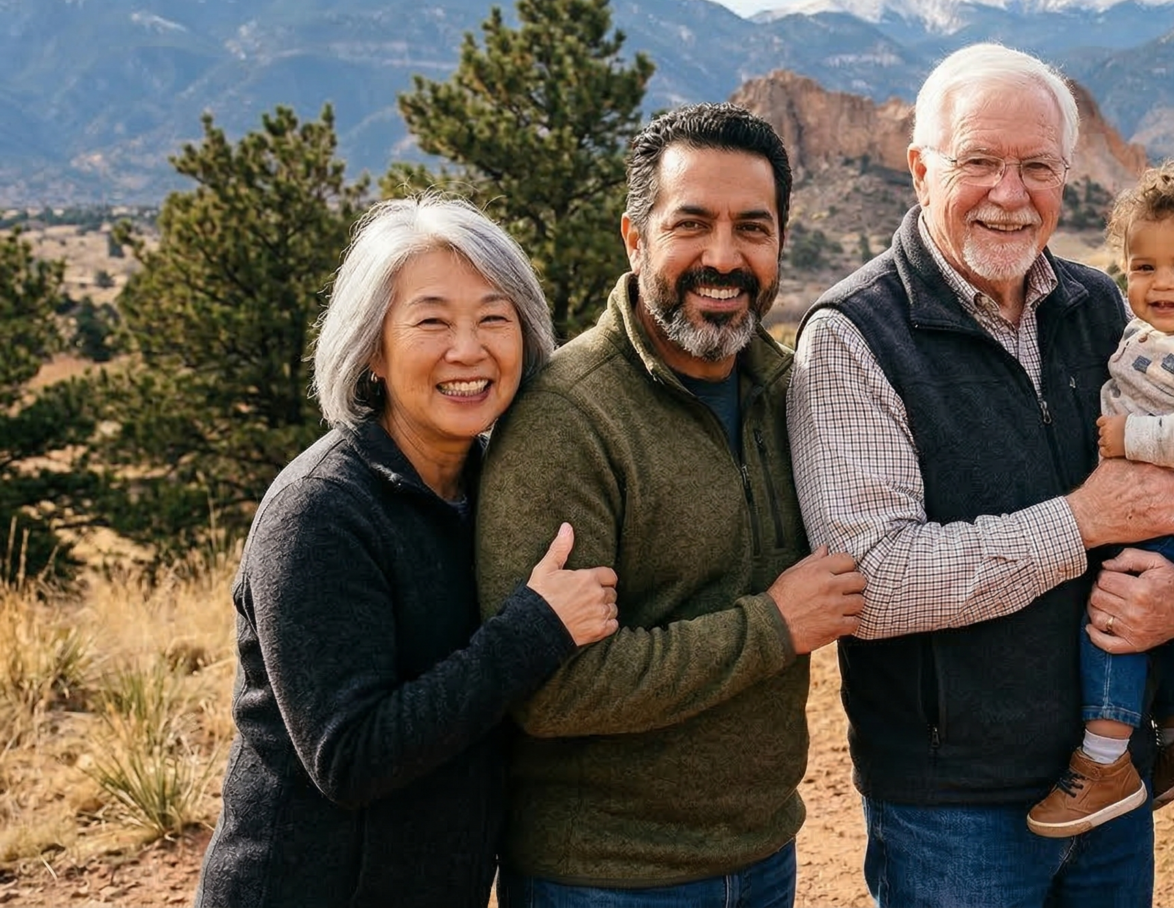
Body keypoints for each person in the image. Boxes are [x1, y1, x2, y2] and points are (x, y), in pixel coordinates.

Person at [788, 42, 1174, 908]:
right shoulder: (851, 335)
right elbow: (869, 581)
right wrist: (1081, 521)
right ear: (921, 170)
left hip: (1110, 778)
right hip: (952, 807)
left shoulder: (1099, 306)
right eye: (980, 162)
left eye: (1037, 167)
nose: (1010, 193)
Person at [474, 102, 866, 908]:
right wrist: (774, 625)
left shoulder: (790, 394)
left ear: (780, 244)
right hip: (605, 878)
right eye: (691, 224)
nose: (723, 257)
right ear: (635, 238)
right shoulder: (566, 419)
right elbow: (551, 687)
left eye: (752, 228)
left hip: (764, 852)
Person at [195, 196, 621, 908]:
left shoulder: (492, 487)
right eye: (432, 321)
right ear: (373, 349)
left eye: (494, 318)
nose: (468, 349)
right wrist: (536, 629)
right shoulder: (320, 511)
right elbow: (350, 754)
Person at [1026, 166, 1174, 838]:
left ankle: (1104, 760)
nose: (1162, 283)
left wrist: (1132, 436)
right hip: (1158, 515)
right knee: (1148, 620)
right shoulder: (1148, 331)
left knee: (1116, 613)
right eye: (1144, 266)